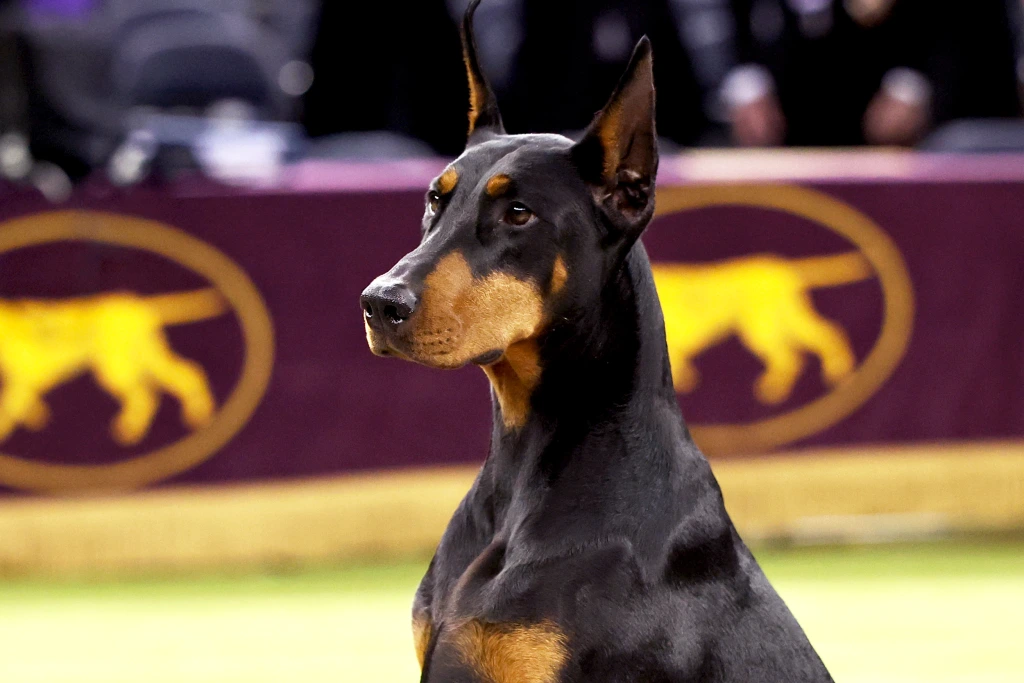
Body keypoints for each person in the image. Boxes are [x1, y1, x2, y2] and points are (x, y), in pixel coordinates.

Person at [725, 0, 1022, 147]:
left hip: (909, 104)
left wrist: (914, 83)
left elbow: (963, 22)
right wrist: (748, 83)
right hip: (795, 98)